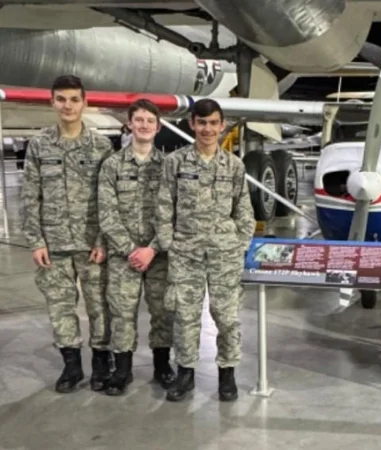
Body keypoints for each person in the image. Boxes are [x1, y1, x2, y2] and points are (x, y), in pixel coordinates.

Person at [156, 98, 255, 402]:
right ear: (192, 125)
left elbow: (244, 210)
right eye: (202, 123)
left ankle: (227, 374)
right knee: (185, 316)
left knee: (226, 316)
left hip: (224, 254)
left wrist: (240, 243)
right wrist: (169, 244)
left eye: (213, 122)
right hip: (186, 253)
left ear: (222, 125)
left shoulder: (234, 165)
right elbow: (163, 206)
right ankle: (185, 374)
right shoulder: (175, 162)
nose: (207, 129)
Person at [20, 75, 114, 393]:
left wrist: (103, 240)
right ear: (52, 103)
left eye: (74, 99)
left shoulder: (100, 145)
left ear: (85, 103)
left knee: (99, 305)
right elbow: (30, 195)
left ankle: (102, 363)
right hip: (54, 243)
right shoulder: (39, 145)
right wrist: (36, 241)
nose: (68, 106)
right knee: (60, 305)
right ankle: (71, 365)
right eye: (61, 99)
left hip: (91, 244)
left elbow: (108, 198)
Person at [98, 99, 176, 396]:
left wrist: (152, 248)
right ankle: (123, 369)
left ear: (157, 127)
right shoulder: (112, 165)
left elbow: (173, 211)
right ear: (129, 124)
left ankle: (161, 365)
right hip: (123, 255)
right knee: (122, 312)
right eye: (138, 119)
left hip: (158, 254)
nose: (143, 125)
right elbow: (107, 212)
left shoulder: (168, 166)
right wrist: (132, 248)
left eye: (149, 121)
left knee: (162, 311)